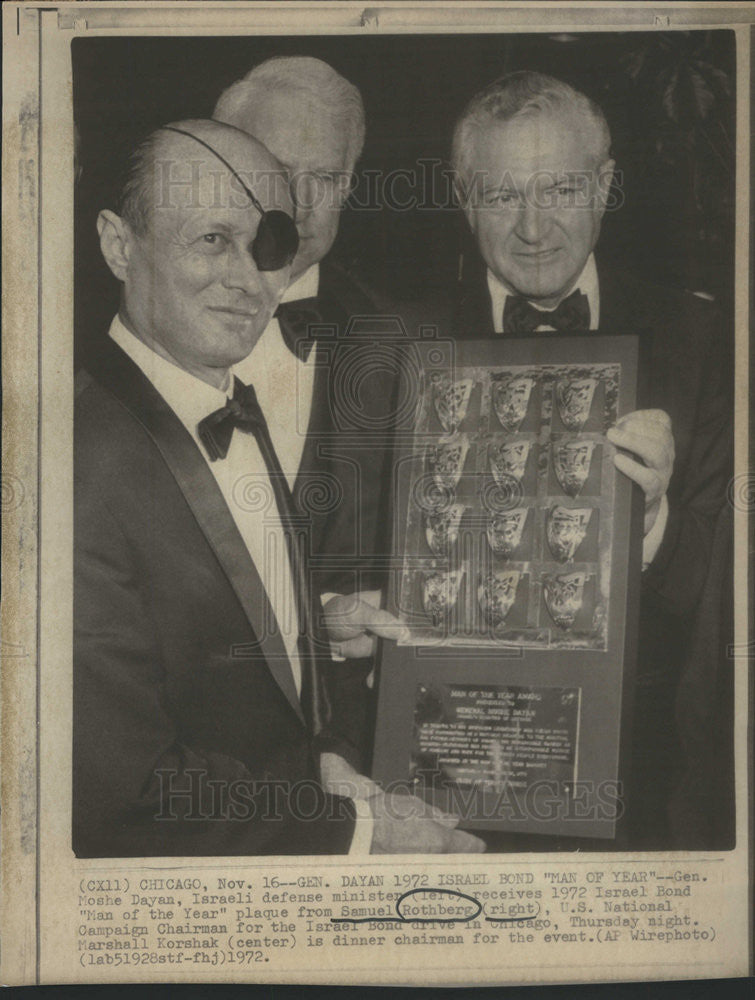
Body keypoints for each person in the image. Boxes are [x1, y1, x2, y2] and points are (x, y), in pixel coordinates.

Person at [73, 117, 483, 857]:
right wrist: (364, 832)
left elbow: (228, 674)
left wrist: (322, 757)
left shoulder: (234, 406)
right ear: (116, 243)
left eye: (267, 245)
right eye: (210, 239)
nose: (247, 278)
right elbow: (123, 789)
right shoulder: (74, 462)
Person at [447, 71, 732, 848]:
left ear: (604, 186)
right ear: (465, 198)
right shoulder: (405, 344)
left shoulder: (702, 342)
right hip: (450, 767)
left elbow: (719, 598)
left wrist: (656, 518)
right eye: (503, 196)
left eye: (562, 189)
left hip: (647, 778)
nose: (534, 227)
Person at [213, 57, 402, 766]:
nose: (302, 202)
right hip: (183, 761)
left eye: (324, 178)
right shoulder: (120, 339)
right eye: (276, 170)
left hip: (365, 758)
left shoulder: (406, 345)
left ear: (349, 187)